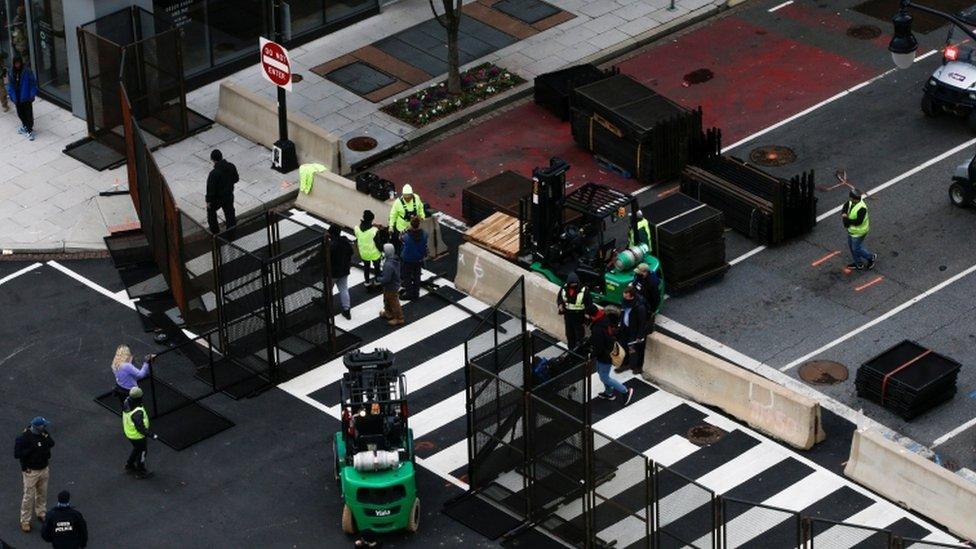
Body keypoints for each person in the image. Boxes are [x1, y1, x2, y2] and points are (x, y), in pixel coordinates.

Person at [14, 416, 54, 533]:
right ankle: (25, 520)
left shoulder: (43, 434)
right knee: (28, 497)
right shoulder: (24, 438)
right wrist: (29, 455)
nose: (45, 427)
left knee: (42, 492)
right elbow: (17, 454)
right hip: (31, 471)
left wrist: (45, 436)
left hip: (44, 468)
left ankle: (41, 512)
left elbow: (52, 443)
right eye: (44, 425)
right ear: (37, 427)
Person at [590, 307, 634, 405]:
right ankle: (609, 393)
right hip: (607, 353)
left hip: (605, 356)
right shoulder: (604, 319)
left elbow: (599, 346)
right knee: (601, 372)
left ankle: (625, 391)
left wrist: (591, 355)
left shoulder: (597, 328)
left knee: (604, 377)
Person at [122, 387, 158, 479]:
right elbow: (140, 428)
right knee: (142, 451)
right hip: (137, 436)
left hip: (129, 432)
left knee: (137, 449)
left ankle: (129, 464)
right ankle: (141, 470)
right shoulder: (137, 412)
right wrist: (151, 435)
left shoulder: (127, 401)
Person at [616, 285, 649, 375]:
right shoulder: (624, 302)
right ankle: (625, 364)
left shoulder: (639, 307)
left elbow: (642, 323)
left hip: (635, 331)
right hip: (625, 328)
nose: (624, 298)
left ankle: (638, 366)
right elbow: (623, 313)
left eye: (626, 296)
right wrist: (620, 325)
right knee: (624, 347)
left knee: (638, 349)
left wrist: (639, 335)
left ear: (631, 296)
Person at [205, 149, 239, 234]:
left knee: (211, 213)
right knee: (230, 214)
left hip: (217, 199)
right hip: (228, 195)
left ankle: (215, 233)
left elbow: (210, 189)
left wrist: (208, 201)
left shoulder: (214, 173)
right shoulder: (231, 166)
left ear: (213, 160)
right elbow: (236, 179)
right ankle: (232, 233)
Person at [841, 188, 876, 270]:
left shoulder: (862, 208)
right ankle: (858, 263)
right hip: (851, 230)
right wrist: (844, 213)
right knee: (851, 247)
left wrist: (846, 219)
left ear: (855, 199)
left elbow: (858, 222)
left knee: (856, 248)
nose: (849, 199)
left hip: (859, 232)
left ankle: (871, 257)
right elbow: (845, 207)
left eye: (851, 198)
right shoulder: (850, 202)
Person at [557, 273, 591, 351]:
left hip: (579, 316)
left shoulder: (584, 290)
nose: (573, 285)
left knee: (579, 335)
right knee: (569, 334)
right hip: (568, 316)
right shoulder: (564, 288)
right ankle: (570, 350)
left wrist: (587, 314)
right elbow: (560, 298)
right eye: (571, 284)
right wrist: (560, 305)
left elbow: (589, 304)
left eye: (575, 284)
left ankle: (579, 351)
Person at [7, 56, 37, 141]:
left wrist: (32, 94)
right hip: (17, 97)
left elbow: (33, 83)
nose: (17, 65)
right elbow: (10, 85)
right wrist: (12, 96)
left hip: (26, 97)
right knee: (20, 113)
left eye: (18, 63)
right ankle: (25, 126)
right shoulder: (11, 72)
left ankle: (29, 130)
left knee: (28, 114)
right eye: (15, 63)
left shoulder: (27, 71)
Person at [388, 184, 425, 252]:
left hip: (414, 227)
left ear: (412, 194)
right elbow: (393, 215)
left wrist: (422, 216)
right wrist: (391, 226)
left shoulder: (416, 198)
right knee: (402, 244)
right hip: (402, 228)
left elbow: (421, 208)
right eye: (405, 198)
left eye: (409, 197)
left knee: (414, 243)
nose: (407, 199)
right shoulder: (398, 202)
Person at [399, 217, 428, 301]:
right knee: (417, 275)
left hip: (408, 259)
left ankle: (409, 293)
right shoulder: (425, 234)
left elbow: (400, 237)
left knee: (406, 276)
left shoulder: (406, 236)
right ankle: (416, 293)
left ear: (411, 225)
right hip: (419, 258)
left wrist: (406, 229)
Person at [328, 224, 353, 320]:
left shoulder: (332, 246)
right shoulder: (345, 241)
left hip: (333, 272)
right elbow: (351, 252)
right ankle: (346, 310)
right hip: (344, 270)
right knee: (344, 289)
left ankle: (327, 307)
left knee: (327, 289)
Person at [377, 243, 404, 326]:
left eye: (384, 251)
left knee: (393, 302)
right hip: (393, 284)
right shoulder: (394, 260)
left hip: (391, 285)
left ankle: (399, 318)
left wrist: (379, 280)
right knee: (387, 299)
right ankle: (388, 312)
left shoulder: (388, 264)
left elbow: (386, 278)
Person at [355, 210, 383, 289]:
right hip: (374, 254)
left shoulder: (357, 229)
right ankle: (377, 282)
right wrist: (382, 250)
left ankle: (367, 283)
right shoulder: (374, 231)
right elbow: (378, 244)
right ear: (371, 220)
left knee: (366, 268)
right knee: (377, 268)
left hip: (364, 253)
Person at [632, 263, 661, 328]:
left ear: (645, 272)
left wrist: (652, 310)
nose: (638, 273)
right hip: (638, 300)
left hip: (646, 305)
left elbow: (656, 298)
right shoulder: (639, 275)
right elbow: (635, 283)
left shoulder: (652, 283)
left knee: (645, 322)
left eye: (640, 272)